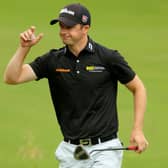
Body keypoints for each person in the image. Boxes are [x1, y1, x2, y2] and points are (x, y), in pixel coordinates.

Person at [4, 3, 148, 168]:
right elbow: (12, 78)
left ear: (85, 28)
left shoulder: (108, 57)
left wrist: (137, 129)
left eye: (69, 27)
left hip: (105, 148)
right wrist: (24, 48)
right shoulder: (52, 60)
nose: (63, 31)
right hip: (72, 151)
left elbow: (138, 88)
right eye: (61, 26)